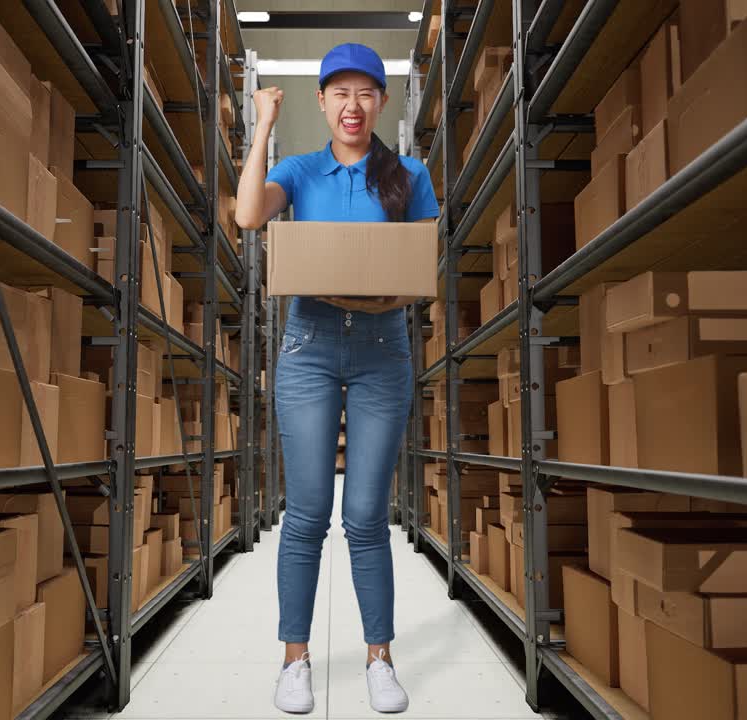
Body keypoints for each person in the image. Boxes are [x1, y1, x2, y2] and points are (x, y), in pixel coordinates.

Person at [236, 43, 439, 715]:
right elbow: (245, 215)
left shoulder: (409, 174)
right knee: (308, 512)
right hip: (309, 344)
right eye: (339, 94)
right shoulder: (297, 170)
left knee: (365, 517)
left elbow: (420, 266)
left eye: (365, 93)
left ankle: (380, 657)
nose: (353, 106)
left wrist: (386, 288)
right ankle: (295, 661)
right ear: (322, 103)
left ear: (381, 102)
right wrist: (263, 125)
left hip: (384, 348)